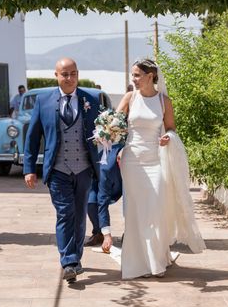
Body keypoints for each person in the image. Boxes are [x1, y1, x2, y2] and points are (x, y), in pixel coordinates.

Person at [103, 58, 204, 279]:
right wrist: (107, 129)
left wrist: (168, 137)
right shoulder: (130, 97)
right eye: (133, 75)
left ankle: (156, 260)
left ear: (151, 76)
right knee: (136, 211)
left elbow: (171, 129)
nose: (134, 79)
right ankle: (138, 262)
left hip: (156, 160)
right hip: (132, 161)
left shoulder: (164, 101)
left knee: (156, 209)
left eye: (137, 75)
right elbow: (115, 123)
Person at [23, 58, 101, 284]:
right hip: (57, 170)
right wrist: (29, 168)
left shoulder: (92, 99)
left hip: (85, 169)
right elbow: (33, 136)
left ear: (78, 74)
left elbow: (102, 130)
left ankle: (75, 259)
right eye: (64, 74)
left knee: (79, 217)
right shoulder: (43, 100)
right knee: (65, 213)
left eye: (73, 74)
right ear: (56, 75)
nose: (69, 78)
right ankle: (68, 261)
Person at [85, 143, 123, 248]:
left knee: (130, 203)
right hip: (101, 179)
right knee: (91, 203)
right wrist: (107, 234)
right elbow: (103, 200)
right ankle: (99, 233)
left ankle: (130, 232)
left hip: (129, 182)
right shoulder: (107, 169)